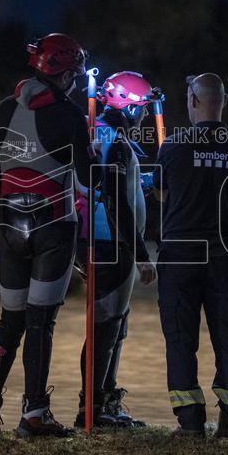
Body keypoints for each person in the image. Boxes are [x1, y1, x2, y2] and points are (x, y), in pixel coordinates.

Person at [0, 33, 98, 438]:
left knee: (10, 322)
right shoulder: (70, 115)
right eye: (74, 75)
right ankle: (34, 413)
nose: (76, 83)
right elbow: (87, 179)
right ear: (60, 74)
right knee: (40, 322)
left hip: (8, 227)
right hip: (53, 227)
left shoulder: (3, 109)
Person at [154, 73, 228, 438]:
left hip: (181, 251)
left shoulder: (174, 145)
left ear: (194, 101)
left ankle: (190, 422)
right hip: (226, 252)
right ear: (222, 101)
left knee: (180, 335)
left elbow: (162, 194)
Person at [74, 71, 157, 428]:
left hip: (95, 238)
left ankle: (102, 402)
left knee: (112, 324)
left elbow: (110, 183)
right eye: (141, 108)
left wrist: (144, 183)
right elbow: (115, 199)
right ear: (131, 107)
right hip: (111, 241)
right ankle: (92, 407)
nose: (142, 116)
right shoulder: (116, 141)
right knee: (107, 326)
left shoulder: (101, 134)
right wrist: (140, 253)